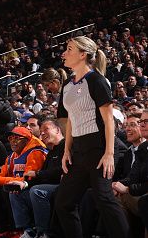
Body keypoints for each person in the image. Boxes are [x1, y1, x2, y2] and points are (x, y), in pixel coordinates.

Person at [54, 36, 130, 238]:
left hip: (98, 148)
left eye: (69, 49)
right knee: (64, 203)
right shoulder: (67, 86)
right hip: (77, 150)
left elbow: (109, 121)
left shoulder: (97, 80)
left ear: (83, 54)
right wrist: (66, 150)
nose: (64, 53)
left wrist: (109, 153)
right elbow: (70, 121)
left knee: (104, 199)